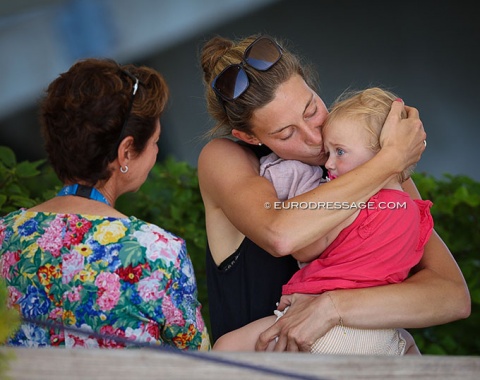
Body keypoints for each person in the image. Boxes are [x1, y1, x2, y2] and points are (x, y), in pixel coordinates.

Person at [197, 34, 470, 350]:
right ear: (249, 136)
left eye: (311, 109)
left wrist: (333, 307)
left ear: (312, 86)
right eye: (286, 133)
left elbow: (451, 295)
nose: (314, 137)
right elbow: (280, 234)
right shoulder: (225, 159)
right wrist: (391, 159)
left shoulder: (367, 159)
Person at [0, 58, 210, 350]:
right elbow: (197, 360)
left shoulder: (4, 236)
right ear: (125, 152)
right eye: (155, 142)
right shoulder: (157, 252)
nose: (156, 151)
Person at [213, 87, 433, 355]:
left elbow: (302, 246)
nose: (328, 163)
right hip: (386, 331)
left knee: (227, 347)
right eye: (286, 133)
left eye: (339, 152)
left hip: (324, 331)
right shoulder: (415, 210)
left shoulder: (348, 205)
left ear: (381, 153)